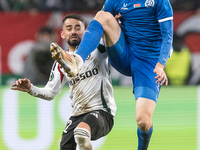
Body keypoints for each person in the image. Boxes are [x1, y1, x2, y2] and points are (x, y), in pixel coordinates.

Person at [60, 0, 174, 149]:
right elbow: (101, 23)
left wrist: (161, 64)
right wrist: (111, 26)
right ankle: (77, 60)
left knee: (143, 121)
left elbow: (168, 35)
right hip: (124, 54)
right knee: (103, 16)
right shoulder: (114, 1)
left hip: (148, 63)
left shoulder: (159, 1)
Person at [11, 14, 117, 150]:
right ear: (62, 34)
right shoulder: (61, 62)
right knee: (65, 146)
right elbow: (50, 93)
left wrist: (117, 24)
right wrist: (31, 88)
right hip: (77, 116)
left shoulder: (98, 49)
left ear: (85, 31)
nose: (73, 31)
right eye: (69, 28)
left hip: (102, 113)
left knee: (81, 133)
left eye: (78, 28)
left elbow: (118, 44)